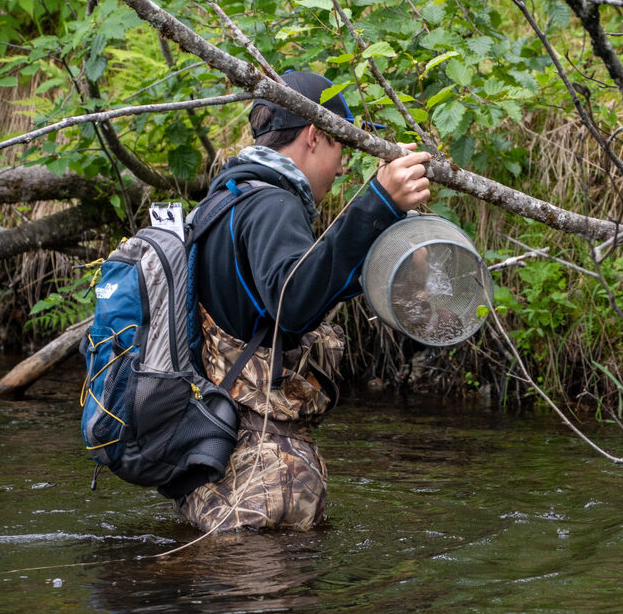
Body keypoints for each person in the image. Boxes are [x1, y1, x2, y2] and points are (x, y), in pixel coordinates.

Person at [175, 70, 431, 533]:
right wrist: (377, 201)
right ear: (315, 135)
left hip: (218, 463)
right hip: (262, 480)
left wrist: (390, 251)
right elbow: (294, 299)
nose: (341, 170)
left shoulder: (228, 200)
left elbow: (285, 291)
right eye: (341, 149)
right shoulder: (273, 204)